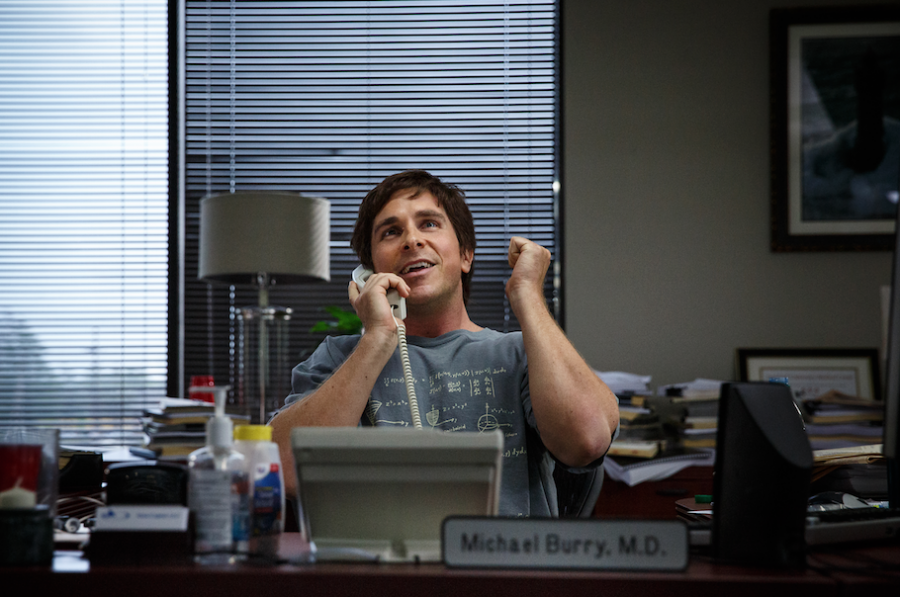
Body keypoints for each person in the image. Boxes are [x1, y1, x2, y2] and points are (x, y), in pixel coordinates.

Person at [269, 170, 619, 516]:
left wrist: (528, 295)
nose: (412, 240)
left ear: (466, 254)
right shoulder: (340, 357)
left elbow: (586, 440)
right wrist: (377, 339)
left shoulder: (520, 353)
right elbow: (281, 472)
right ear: (369, 271)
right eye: (391, 232)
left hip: (499, 553)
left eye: (429, 224)